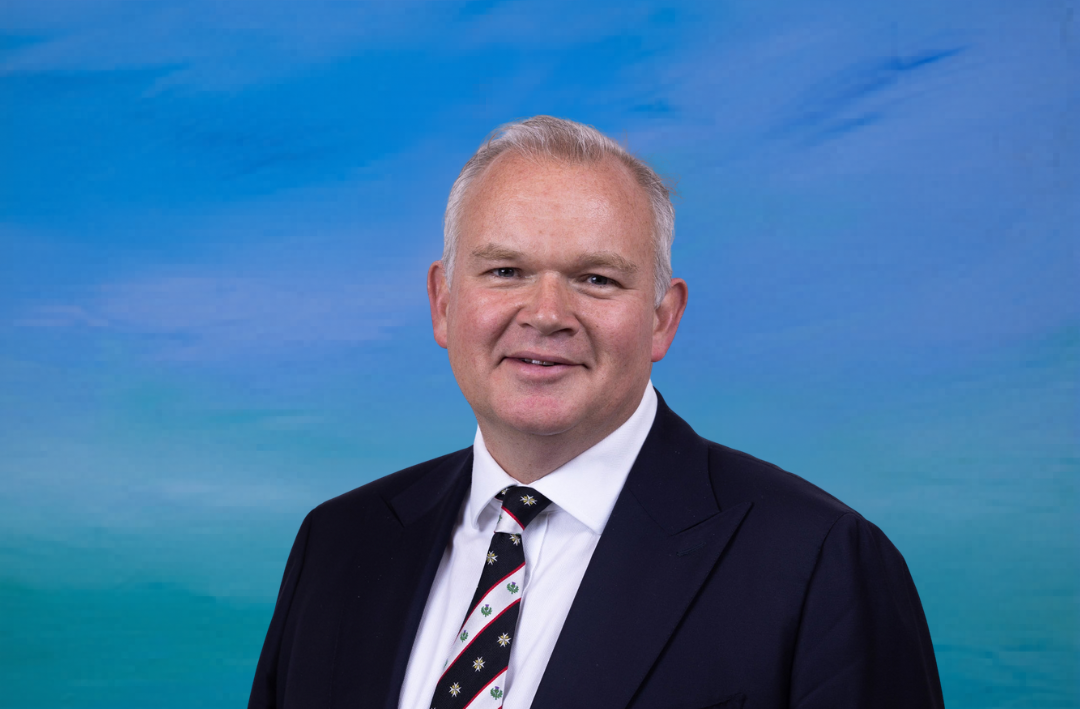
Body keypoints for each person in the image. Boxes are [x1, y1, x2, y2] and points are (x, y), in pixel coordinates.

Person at [248, 116, 944, 709]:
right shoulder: (338, 545)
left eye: (596, 279)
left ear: (662, 319)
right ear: (443, 302)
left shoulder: (820, 562)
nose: (547, 313)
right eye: (505, 271)